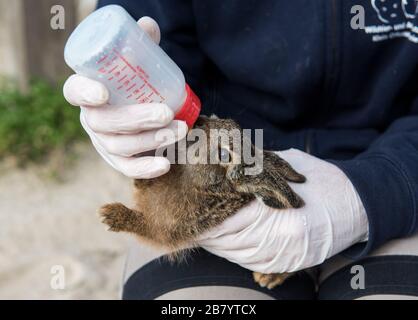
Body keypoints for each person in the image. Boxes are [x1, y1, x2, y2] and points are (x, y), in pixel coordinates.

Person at [63, 0, 418, 300]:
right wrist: (126, 110)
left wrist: (374, 193)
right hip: (212, 193)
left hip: (400, 171)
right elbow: (136, 38)